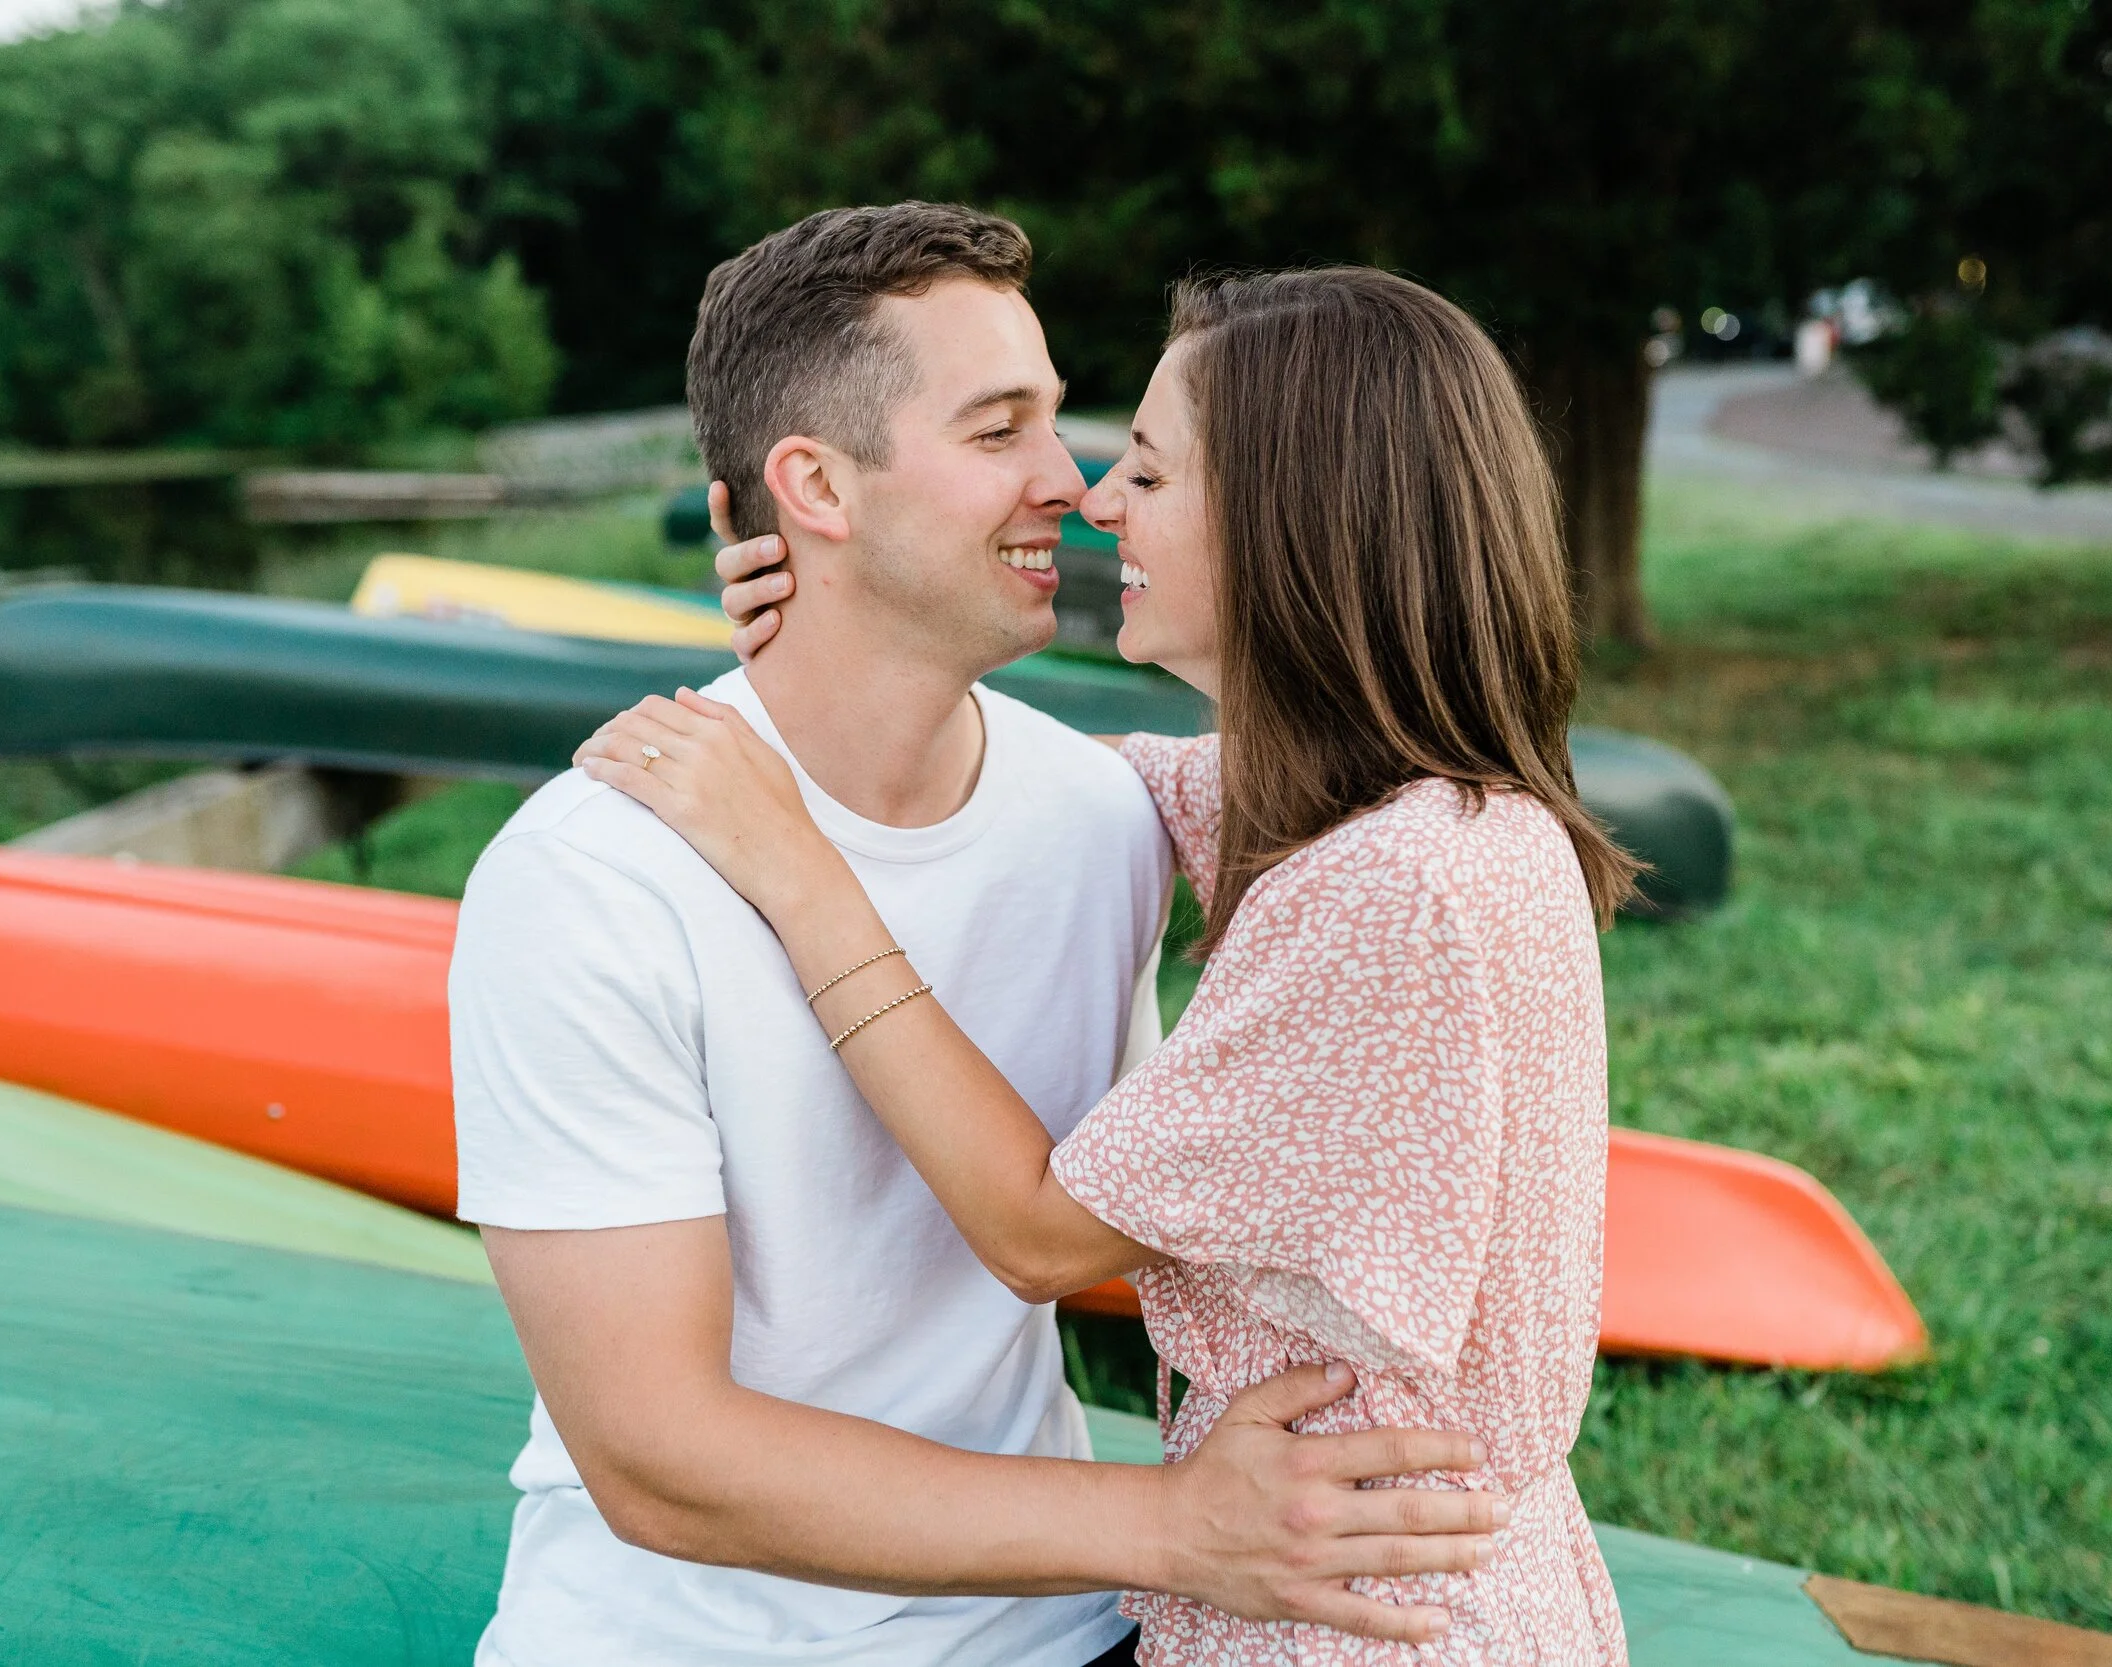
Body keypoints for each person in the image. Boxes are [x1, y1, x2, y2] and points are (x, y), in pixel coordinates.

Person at [450, 204, 1502, 1667]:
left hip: (1052, 1631)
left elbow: (1077, 1217)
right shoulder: (592, 880)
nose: (1068, 486)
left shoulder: (1104, 819)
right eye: (999, 428)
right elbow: (655, 1457)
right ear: (813, 485)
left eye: (1062, 424)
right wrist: (1173, 1527)